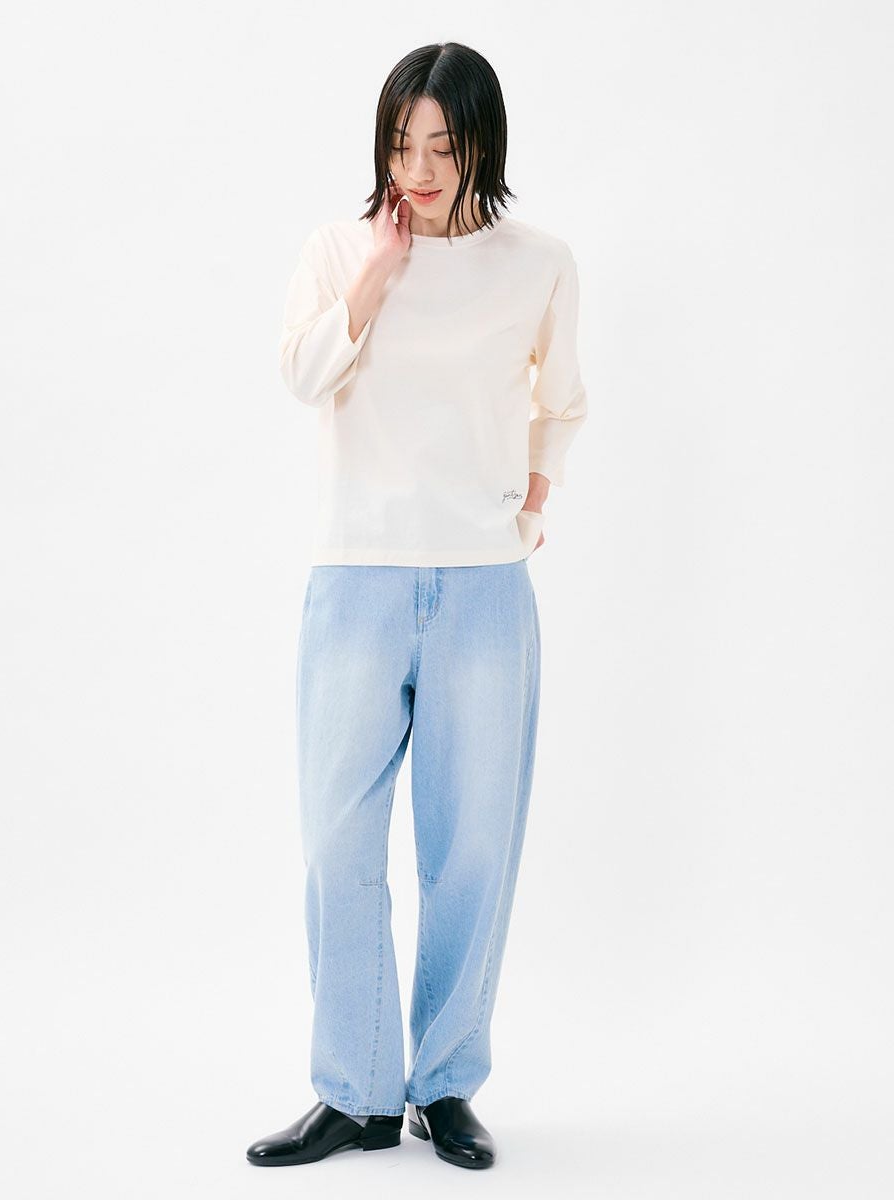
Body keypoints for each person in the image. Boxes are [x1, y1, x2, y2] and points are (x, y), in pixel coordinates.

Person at [246, 41, 587, 1171]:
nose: (421, 169)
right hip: (357, 578)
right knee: (336, 842)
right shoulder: (337, 250)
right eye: (402, 145)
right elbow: (303, 375)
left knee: (472, 847)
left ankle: (443, 1087)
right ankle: (354, 1090)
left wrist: (529, 506)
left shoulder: (539, 264)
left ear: (485, 143)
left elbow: (562, 404)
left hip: (484, 587)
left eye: (444, 145)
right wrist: (378, 275)